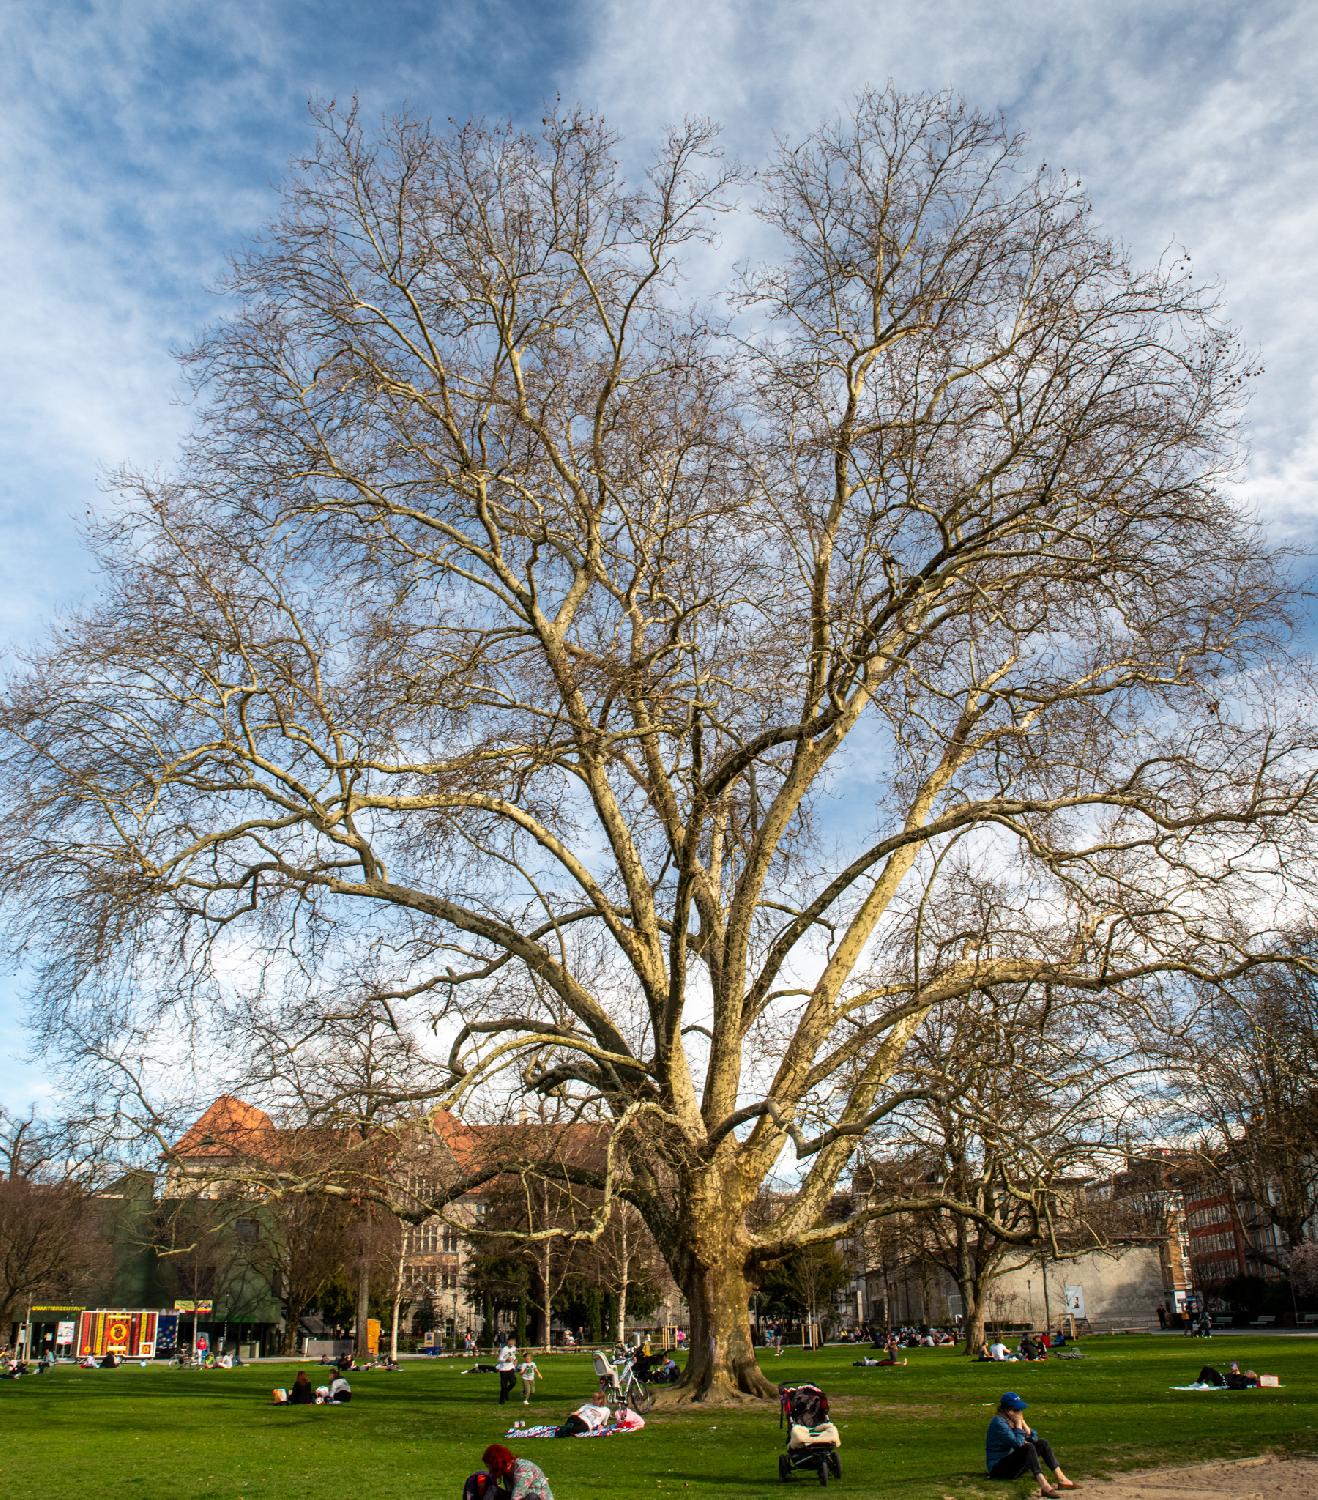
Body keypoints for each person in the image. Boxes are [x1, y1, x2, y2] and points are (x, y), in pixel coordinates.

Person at [986, 1392, 1076, 1497]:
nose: (1019, 1413)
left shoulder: (1011, 1421)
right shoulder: (998, 1423)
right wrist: (1019, 1425)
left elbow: (1034, 1437)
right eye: (1016, 1410)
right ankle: (1044, 1485)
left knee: (1042, 1443)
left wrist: (1024, 1424)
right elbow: (1018, 1443)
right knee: (1028, 1447)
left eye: (1020, 1410)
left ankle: (1062, 1479)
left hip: (1013, 1466)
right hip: (998, 1469)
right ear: (1007, 1410)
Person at [481, 1443, 554, 1500]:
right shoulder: (505, 1471)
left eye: (489, 1466)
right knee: (493, 1490)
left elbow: (517, 1496)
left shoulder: (523, 1469)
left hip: (532, 1498)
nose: (489, 1470)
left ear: (496, 1465)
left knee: (532, 1497)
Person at [496, 1338, 518, 1404]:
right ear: (507, 1342)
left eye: (513, 1341)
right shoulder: (504, 1349)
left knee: (513, 1382)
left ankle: (506, 1392)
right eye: (510, 1341)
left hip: (511, 1368)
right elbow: (499, 1359)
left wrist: (515, 1360)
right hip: (503, 1369)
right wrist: (506, 1360)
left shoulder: (514, 1348)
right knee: (503, 1386)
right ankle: (501, 1401)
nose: (511, 1342)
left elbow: (513, 1356)